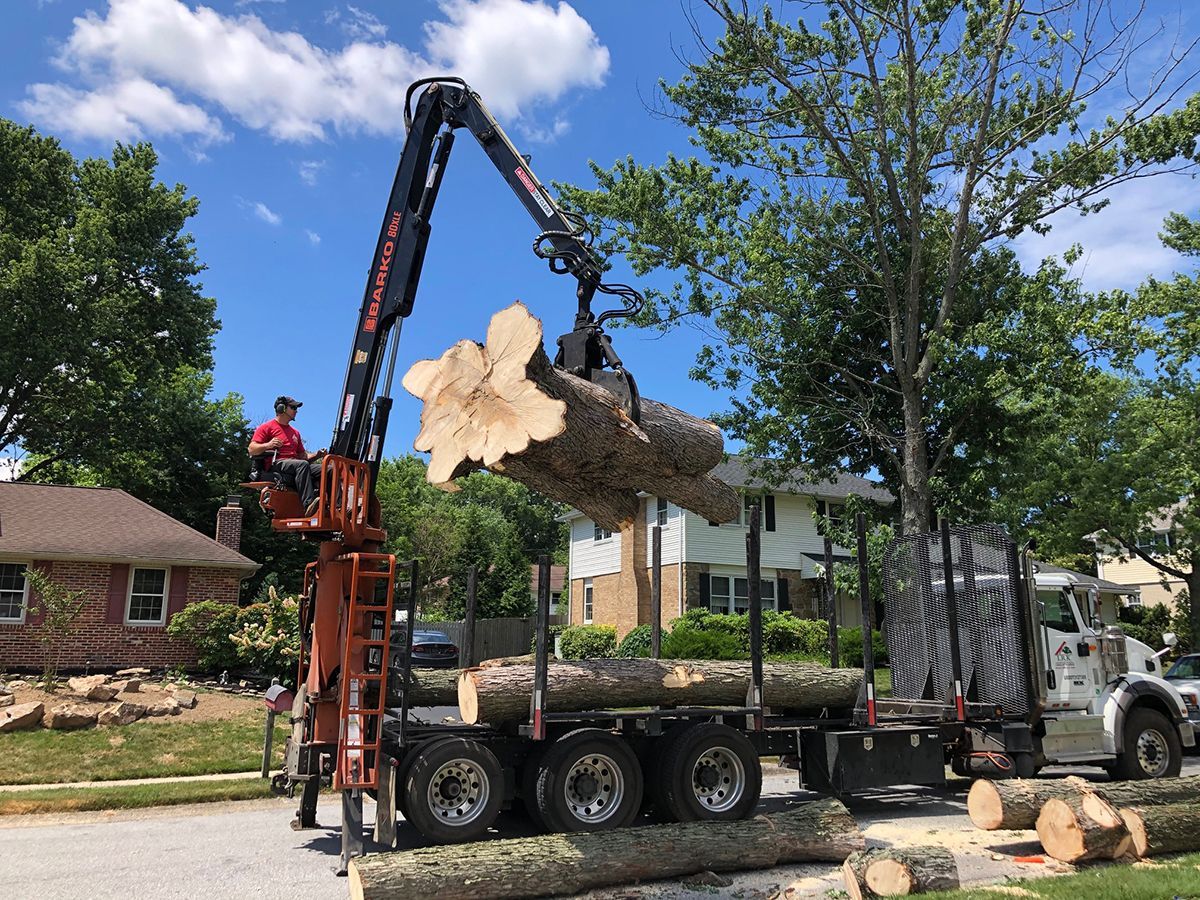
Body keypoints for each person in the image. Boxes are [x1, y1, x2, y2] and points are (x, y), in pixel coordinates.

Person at [249, 396, 326, 516]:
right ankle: (309, 505)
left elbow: (302, 455)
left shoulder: (295, 432)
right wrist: (268, 445)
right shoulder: (266, 427)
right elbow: (251, 449)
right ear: (282, 408)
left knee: (328, 468)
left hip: (295, 464)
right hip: (277, 463)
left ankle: (338, 506)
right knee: (302, 465)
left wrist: (317, 455)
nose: (296, 410)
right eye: (293, 407)